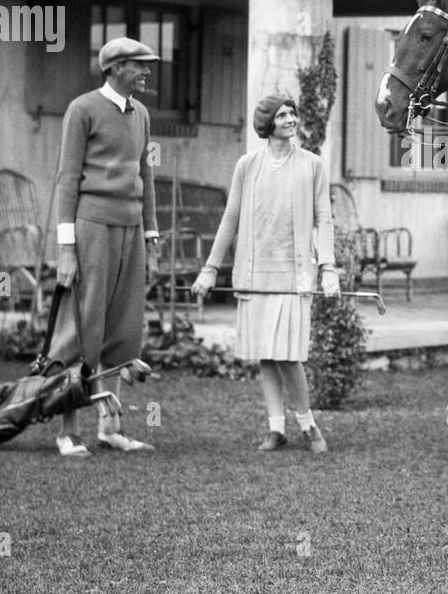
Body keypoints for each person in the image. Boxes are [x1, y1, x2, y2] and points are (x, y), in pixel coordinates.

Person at [191, 94, 339, 453]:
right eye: (283, 114)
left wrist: (328, 268)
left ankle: (308, 424)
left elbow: (324, 219)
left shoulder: (313, 165)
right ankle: (276, 428)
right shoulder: (247, 165)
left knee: (289, 354)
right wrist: (210, 269)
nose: (291, 119)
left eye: (293, 113)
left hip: (295, 274)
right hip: (255, 274)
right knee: (267, 354)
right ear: (268, 123)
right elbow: (231, 218)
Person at [50, 36, 161, 457]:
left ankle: (110, 428)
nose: (147, 72)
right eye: (139, 65)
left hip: (130, 230)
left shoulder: (142, 115)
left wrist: (150, 235)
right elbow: (67, 178)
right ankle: (68, 430)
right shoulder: (82, 110)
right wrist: (66, 249)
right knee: (83, 328)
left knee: (124, 328)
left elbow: (145, 177)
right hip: (91, 230)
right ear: (115, 69)